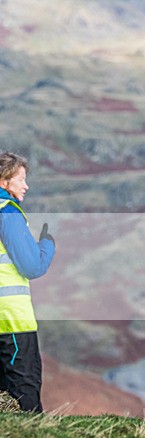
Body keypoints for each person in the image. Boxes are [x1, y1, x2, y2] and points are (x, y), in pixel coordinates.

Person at [0, 152, 55, 412]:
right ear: (4, 181)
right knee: (25, 393)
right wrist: (48, 244)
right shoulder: (7, 213)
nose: (26, 185)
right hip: (11, 322)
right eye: (20, 179)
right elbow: (32, 266)